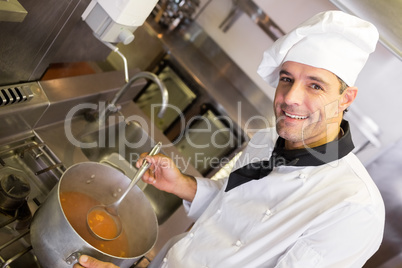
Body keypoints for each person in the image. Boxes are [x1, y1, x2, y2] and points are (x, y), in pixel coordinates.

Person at [74, 10, 385, 268]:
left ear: (347, 98)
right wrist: (183, 185)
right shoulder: (265, 141)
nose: (290, 98)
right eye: (286, 79)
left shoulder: (354, 207)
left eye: (315, 86)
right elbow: (231, 212)